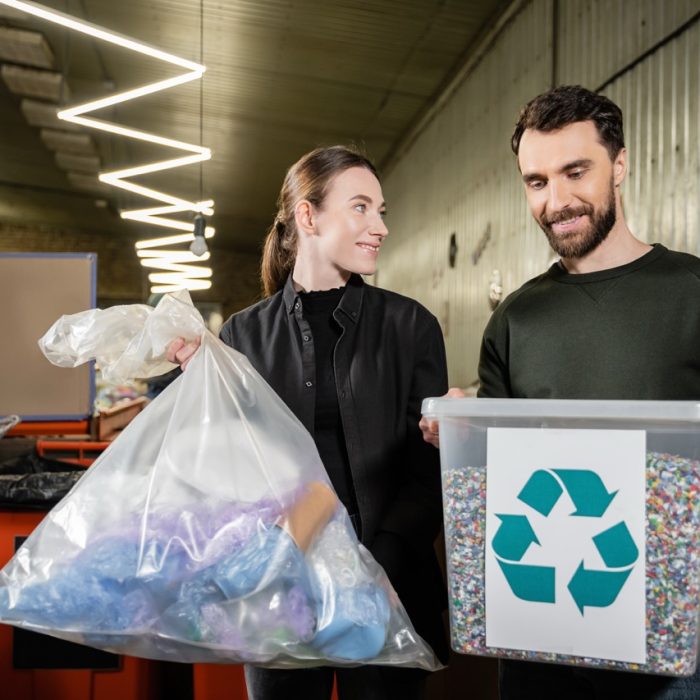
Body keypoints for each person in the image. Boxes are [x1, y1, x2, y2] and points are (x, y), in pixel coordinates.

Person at [422, 85, 700, 698]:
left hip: (674, 629)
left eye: (576, 172)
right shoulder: (516, 320)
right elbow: (497, 475)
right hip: (541, 621)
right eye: (537, 181)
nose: (557, 201)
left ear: (620, 165)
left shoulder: (691, 292)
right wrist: (460, 429)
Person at [168, 145, 449, 700]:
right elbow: (227, 470)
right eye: (362, 208)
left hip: (385, 589)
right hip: (281, 591)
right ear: (308, 216)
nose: (381, 227)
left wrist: (380, 560)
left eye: (381, 211)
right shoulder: (242, 338)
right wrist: (197, 386)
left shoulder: (411, 326)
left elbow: (430, 461)